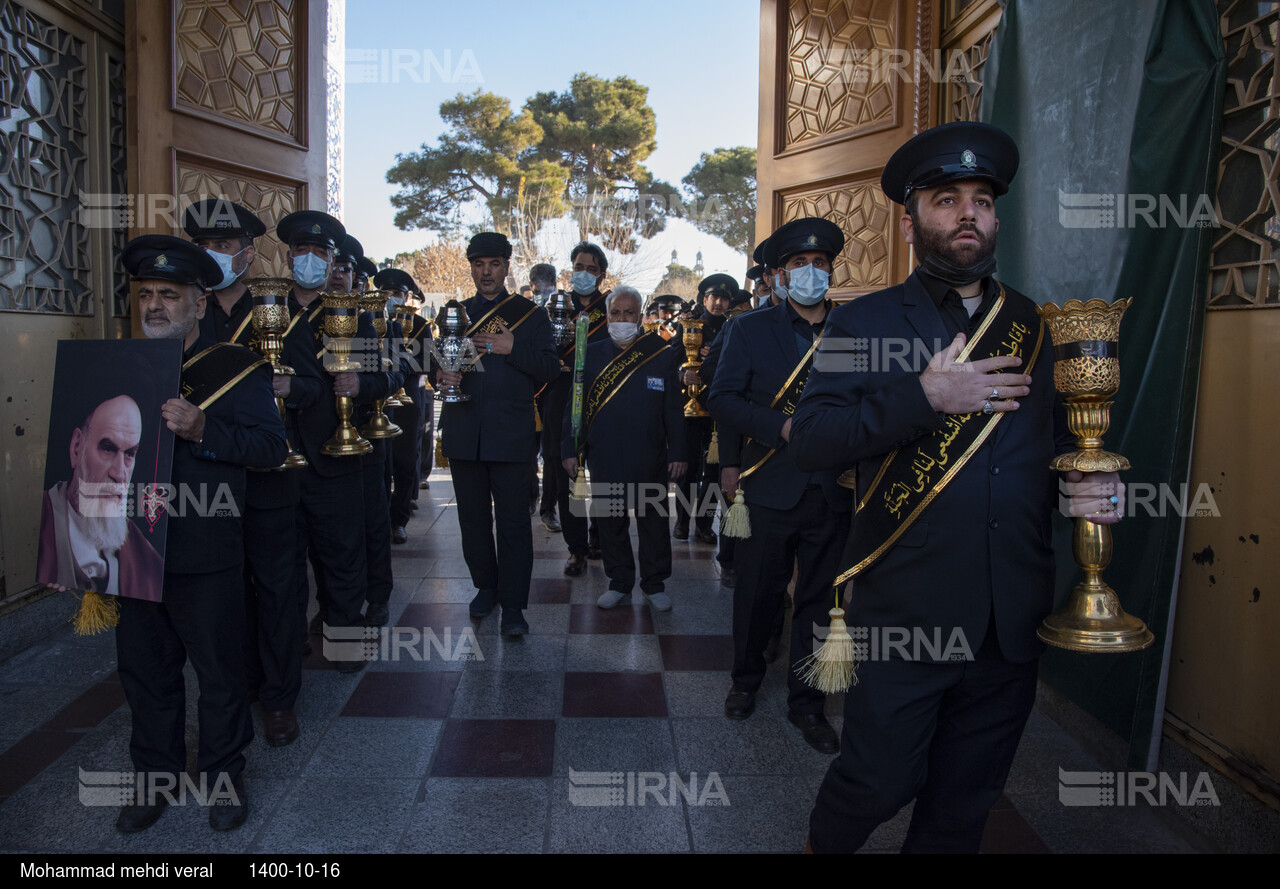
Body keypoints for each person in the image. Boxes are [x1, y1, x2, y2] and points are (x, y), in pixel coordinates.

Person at [791, 121, 1124, 852]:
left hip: (1010, 619)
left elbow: (1066, 447)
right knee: (876, 780)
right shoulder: (866, 321)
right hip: (905, 607)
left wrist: (1094, 491)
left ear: (997, 217)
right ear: (911, 222)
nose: (967, 212)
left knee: (963, 801)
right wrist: (925, 396)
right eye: (946, 199)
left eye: (981, 199)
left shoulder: (1034, 324)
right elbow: (811, 441)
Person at [114, 234, 287, 833]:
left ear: (197, 303)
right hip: (133, 548)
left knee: (219, 672)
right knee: (145, 671)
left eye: (170, 294)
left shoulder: (237, 368)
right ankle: (154, 778)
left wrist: (205, 428)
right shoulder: (116, 366)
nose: (155, 305)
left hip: (206, 545)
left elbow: (270, 447)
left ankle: (223, 776)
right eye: (146, 294)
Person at [707, 218, 852, 754]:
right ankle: (744, 682)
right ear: (778, 275)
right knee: (757, 594)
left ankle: (807, 704)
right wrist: (782, 427)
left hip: (835, 488)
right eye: (798, 265)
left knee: (821, 602)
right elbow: (721, 398)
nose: (811, 273)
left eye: (820, 264)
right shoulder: (749, 329)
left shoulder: (855, 328)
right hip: (768, 484)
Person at [185, 199, 319, 745]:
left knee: (277, 589)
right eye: (207, 247)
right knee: (222, 592)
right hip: (203, 478)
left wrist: (294, 387)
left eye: (226, 245)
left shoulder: (278, 309)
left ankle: (280, 698)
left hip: (267, 474)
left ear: (249, 250)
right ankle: (235, 684)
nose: (217, 255)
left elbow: (316, 381)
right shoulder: (188, 311)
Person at [434, 232, 559, 635]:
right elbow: (436, 365)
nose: (485, 272)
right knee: (472, 520)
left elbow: (550, 369)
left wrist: (511, 348)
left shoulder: (531, 315)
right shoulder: (455, 314)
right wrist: (440, 375)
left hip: (511, 436)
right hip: (464, 433)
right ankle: (486, 587)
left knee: (513, 523)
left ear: (507, 266)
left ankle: (516, 607)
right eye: (478, 264)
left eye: (494, 264)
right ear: (471, 267)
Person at [274, 211, 381, 671]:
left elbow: (386, 377)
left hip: (333, 457)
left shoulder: (350, 318)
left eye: (321, 253)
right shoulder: (265, 311)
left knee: (341, 555)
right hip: (273, 459)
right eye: (303, 251)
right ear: (289, 255)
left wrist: (361, 384)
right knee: (280, 562)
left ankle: (344, 637)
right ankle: (288, 640)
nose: (311, 260)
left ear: (334, 260)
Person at [561, 286, 686, 611]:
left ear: (641, 315)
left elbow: (673, 407)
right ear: (608, 315)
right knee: (610, 523)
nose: (622, 318)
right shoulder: (590, 353)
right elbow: (573, 406)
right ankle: (618, 582)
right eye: (616, 312)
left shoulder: (660, 351)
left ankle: (654, 583)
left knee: (653, 523)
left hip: (651, 454)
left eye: (629, 312)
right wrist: (570, 448)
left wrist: (678, 452)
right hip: (605, 454)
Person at [37, 380, 163, 602]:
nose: (120, 473)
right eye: (107, 448)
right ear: (77, 447)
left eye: (130, 454)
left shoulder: (146, 561)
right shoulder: (39, 526)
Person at [547, 242, 611, 576]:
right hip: (560, 397)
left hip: (599, 398)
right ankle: (576, 549)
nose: (583, 273)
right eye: (578, 266)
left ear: (601, 273)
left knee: (602, 475)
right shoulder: (555, 306)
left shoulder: (612, 307)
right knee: (565, 476)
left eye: (591, 268)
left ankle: (599, 537)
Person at [672, 275, 733, 544]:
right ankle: (682, 522)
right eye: (714, 297)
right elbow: (671, 359)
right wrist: (681, 373)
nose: (718, 303)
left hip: (718, 411)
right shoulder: (688, 326)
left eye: (724, 298)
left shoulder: (735, 327)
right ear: (704, 299)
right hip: (690, 409)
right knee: (688, 469)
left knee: (713, 473)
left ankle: (705, 524)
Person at [380, 268, 429, 545]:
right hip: (379, 399)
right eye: (386, 293)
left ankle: (399, 519)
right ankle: (381, 514)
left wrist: (395, 361)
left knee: (405, 459)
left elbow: (427, 363)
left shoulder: (420, 325)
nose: (391, 299)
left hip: (409, 399)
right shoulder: (370, 321)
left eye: (396, 293)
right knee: (381, 461)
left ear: (407, 297)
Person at [529, 262, 563, 532]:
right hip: (527, 391)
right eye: (537, 286)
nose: (542, 290)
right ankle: (529, 496)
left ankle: (548, 508)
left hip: (553, 389)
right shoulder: (523, 312)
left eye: (547, 286)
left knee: (551, 452)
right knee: (526, 449)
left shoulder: (563, 309)